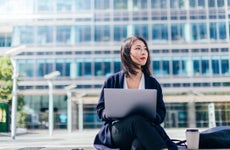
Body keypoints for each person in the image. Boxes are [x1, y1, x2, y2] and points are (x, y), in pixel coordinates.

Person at [94, 35, 178, 150]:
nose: (143, 52)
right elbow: (100, 110)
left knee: (138, 144)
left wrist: (152, 116)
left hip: (144, 129)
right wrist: (110, 112)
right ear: (127, 53)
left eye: (145, 49)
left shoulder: (153, 83)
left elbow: (161, 112)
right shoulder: (112, 80)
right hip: (119, 131)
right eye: (138, 48)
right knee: (136, 120)